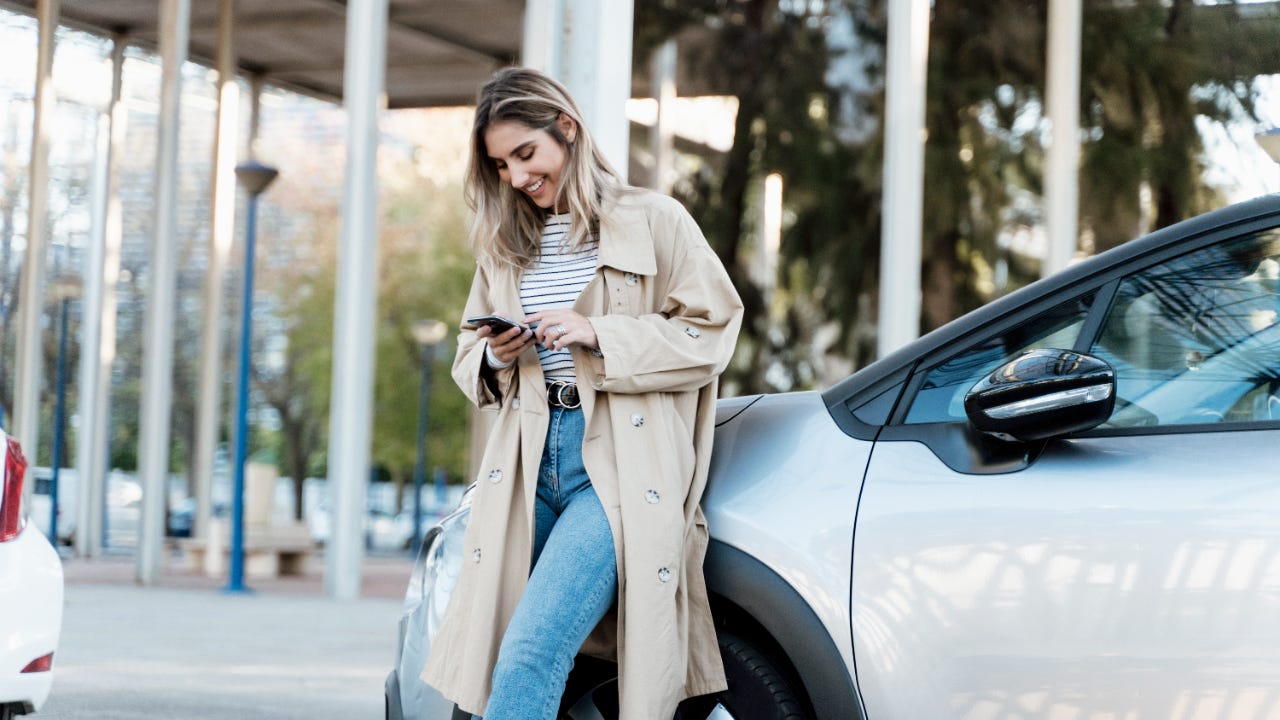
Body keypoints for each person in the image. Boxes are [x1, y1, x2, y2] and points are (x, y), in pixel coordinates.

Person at [419, 67, 743, 720]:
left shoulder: (655, 220)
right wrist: (495, 353)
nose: (514, 176)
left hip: (618, 465)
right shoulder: (507, 245)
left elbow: (713, 330)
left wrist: (599, 332)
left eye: (525, 153)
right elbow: (466, 356)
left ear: (566, 129)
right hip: (526, 461)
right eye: (501, 164)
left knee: (530, 652)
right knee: (484, 657)